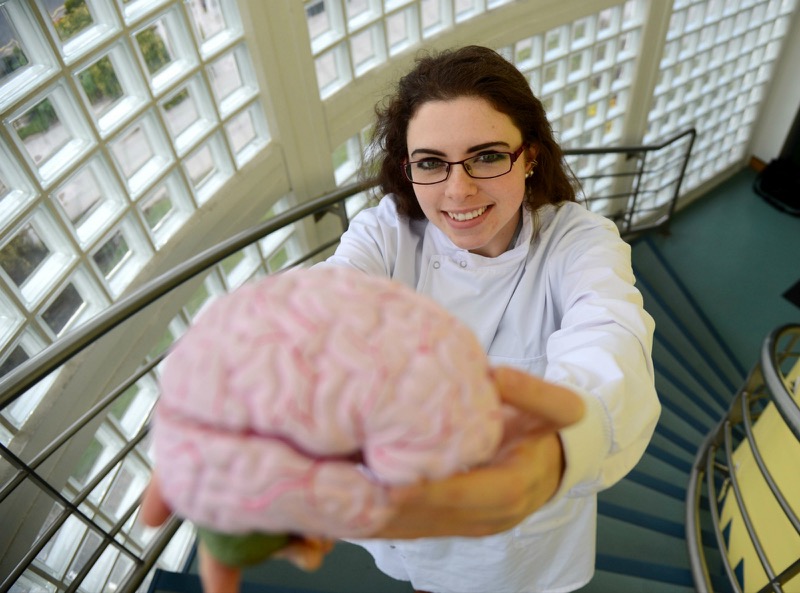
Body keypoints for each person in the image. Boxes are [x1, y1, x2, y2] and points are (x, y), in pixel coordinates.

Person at [143, 45, 659, 593]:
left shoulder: (578, 240)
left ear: (529, 157)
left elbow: (610, 338)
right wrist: (225, 376)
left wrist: (558, 447)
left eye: (486, 156)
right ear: (408, 168)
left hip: (520, 539)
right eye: (432, 162)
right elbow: (326, 295)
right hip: (401, 525)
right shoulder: (386, 233)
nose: (458, 190)